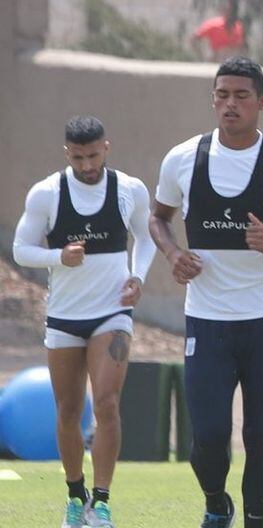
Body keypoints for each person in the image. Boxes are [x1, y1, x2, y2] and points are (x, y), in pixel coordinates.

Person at [149, 57, 263, 528]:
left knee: (259, 434)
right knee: (208, 436)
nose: (230, 104)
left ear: (262, 102)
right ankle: (216, 503)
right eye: (222, 95)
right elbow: (159, 218)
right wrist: (172, 254)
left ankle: (256, 521)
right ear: (213, 98)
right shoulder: (183, 159)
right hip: (207, 319)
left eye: (241, 96)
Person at [12, 115, 155, 528]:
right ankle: (76, 497)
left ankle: (102, 502)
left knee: (107, 402)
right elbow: (21, 249)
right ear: (67, 154)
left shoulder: (129, 189)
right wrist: (58, 257)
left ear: (106, 148)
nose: (87, 165)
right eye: (78, 158)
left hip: (112, 313)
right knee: (68, 410)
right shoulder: (47, 193)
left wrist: (138, 277)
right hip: (64, 318)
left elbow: (146, 237)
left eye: (93, 156)